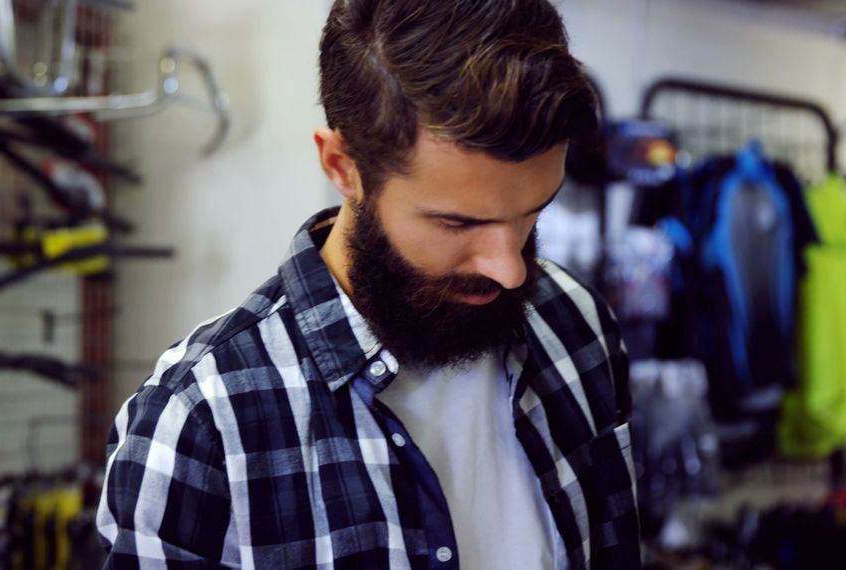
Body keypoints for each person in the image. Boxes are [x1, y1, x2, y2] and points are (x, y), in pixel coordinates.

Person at [96, 0, 640, 568]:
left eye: (533, 213)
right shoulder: (201, 420)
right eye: (458, 223)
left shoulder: (576, 321)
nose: (511, 270)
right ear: (341, 166)